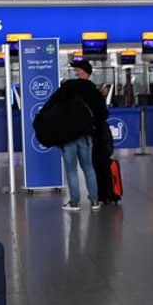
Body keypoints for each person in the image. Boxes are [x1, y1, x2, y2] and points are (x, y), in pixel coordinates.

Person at [42, 59, 108, 211]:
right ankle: (95, 201)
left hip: (68, 136)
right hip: (86, 136)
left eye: (77, 70)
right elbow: (103, 114)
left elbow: (54, 106)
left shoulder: (69, 87)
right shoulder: (94, 91)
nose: (75, 72)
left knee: (71, 169)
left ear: (83, 71)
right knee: (88, 167)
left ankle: (75, 202)